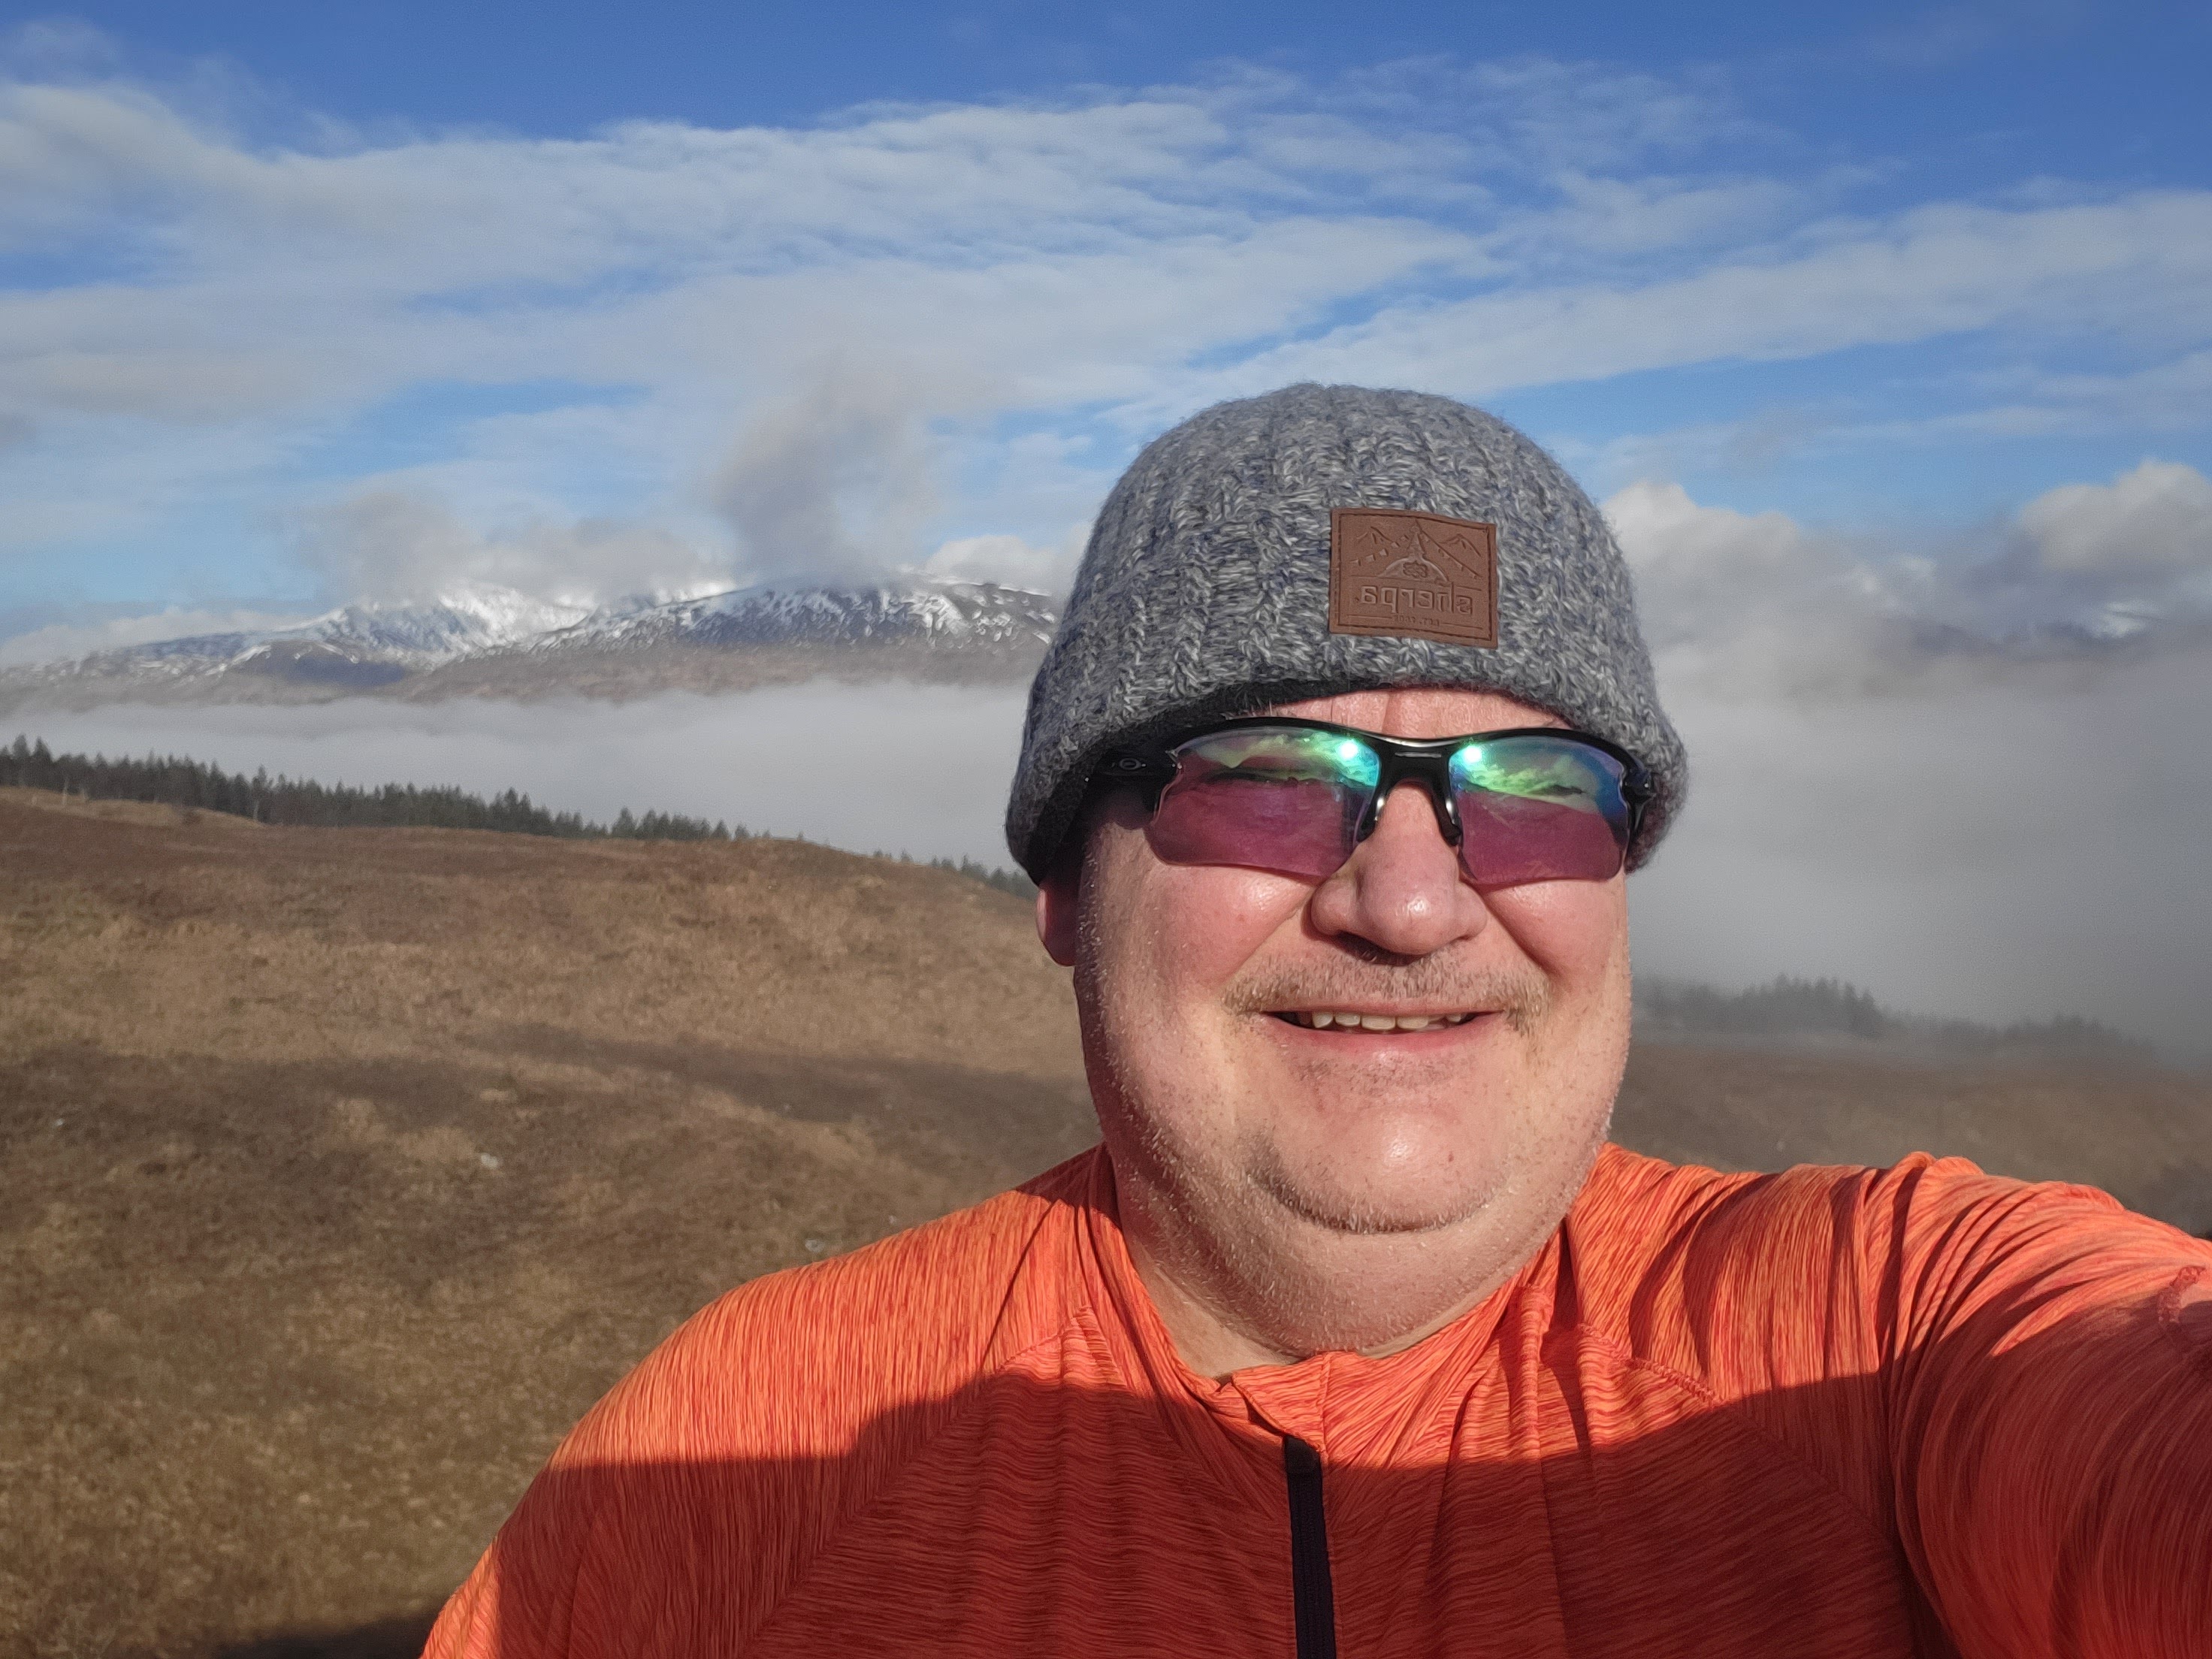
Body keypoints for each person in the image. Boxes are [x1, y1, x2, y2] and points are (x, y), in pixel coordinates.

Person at [423, 385, 2211, 1657]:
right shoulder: (740, 1450)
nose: (1410, 903)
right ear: (1062, 892)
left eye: (1535, 789)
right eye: (1268, 780)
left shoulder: (1889, 1340)